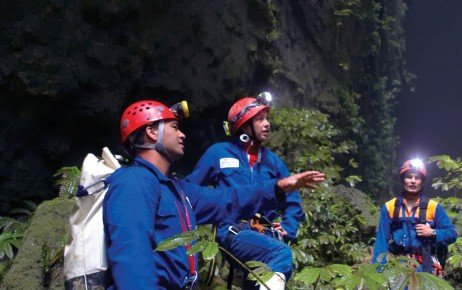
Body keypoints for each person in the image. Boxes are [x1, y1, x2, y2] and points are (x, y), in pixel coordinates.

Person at [103, 100, 324, 289]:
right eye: (174, 127)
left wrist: (278, 187)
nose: (182, 134)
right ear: (152, 132)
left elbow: (229, 199)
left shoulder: (179, 191)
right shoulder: (134, 181)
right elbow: (131, 257)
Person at [186, 93, 316, 288]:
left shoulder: (274, 162)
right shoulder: (218, 153)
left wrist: (287, 228)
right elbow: (190, 192)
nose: (267, 124)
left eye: (267, 119)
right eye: (260, 119)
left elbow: (293, 202)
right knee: (280, 254)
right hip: (233, 232)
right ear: (244, 125)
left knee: (257, 283)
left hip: (266, 233)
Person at [372, 158, 457, 276]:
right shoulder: (389, 207)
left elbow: (452, 234)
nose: (413, 181)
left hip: (427, 265)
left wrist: (432, 232)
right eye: (409, 177)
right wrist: (377, 274)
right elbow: (381, 242)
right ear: (403, 180)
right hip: (398, 265)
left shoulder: (433, 207)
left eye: (417, 177)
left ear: (422, 181)